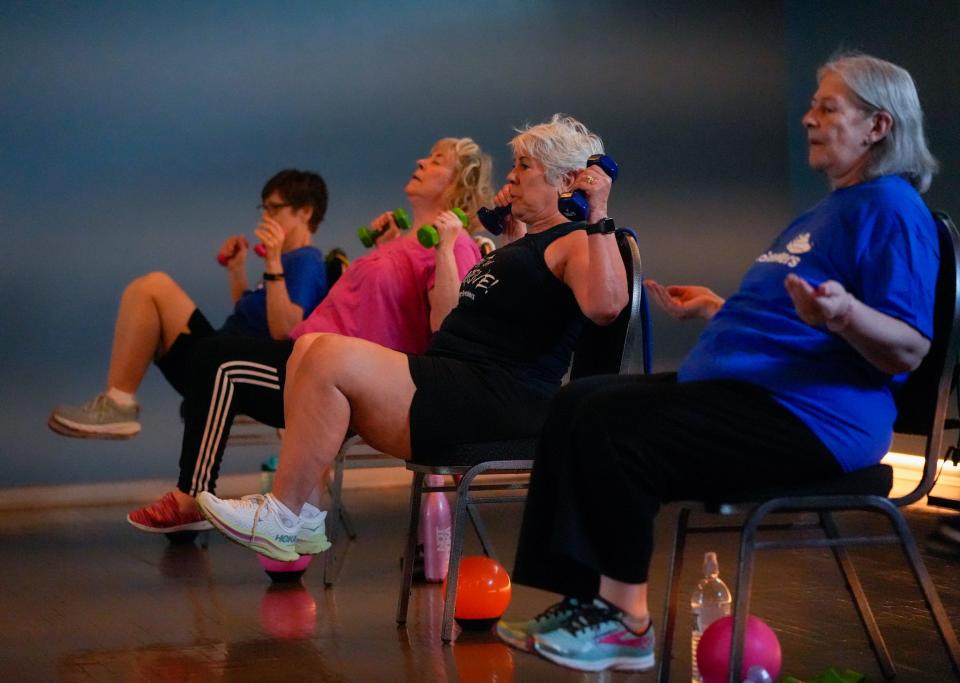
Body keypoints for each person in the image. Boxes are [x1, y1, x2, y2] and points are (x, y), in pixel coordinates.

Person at [496, 53, 940, 674]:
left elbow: (910, 346)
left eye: (828, 107)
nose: (808, 118)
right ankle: (586, 603)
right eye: (812, 104)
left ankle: (624, 621)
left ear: (878, 127)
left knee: (614, 426)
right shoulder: (828, 211)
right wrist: (719, 311)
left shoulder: (892, 209)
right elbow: (797, 317)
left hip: (816, 419)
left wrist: (844, 316)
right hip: (759, 396)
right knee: (582, 400)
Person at [196, 114, 630, 563]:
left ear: (565, 181)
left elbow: (607, 305)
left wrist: (597, 212)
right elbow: (504, 306)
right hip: (458, 379)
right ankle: (301, 518)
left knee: (324, 354)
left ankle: (283, 513)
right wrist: (512, 231)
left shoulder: (580, 240)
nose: (511, 177)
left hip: (496, 396)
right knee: (308, 347)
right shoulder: (530, 242)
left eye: (523, 167)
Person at [127, 137, 492, 534]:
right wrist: (387, 250)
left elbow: (447, 327)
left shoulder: (456, 246)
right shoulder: (399, 244)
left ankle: (191, 498)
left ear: (459, 183)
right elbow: (379, 305)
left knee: (220, 362)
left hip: (335, 376)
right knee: (209, 355)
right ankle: (203, 498)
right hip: (305, 352)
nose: (422, 160)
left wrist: (446, 247)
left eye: (437, 161)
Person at [49, 169, 330, 439]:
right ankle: (118, 401)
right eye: (264, 209)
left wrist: (272, 262)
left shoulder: (306, 261)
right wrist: (236, 270)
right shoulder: (283, 263)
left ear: (305, 211)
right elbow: (252, 320)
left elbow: (285, 331)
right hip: (222, 354)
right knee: (142, 291)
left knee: (154, 287)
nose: (265, 217)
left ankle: (119, 405)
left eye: (274, 208)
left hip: (234, 370)